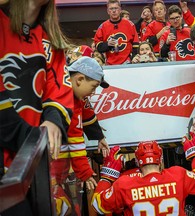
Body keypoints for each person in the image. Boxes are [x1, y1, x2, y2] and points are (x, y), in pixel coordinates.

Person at [0, 0, 74, 215]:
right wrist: (31, 138)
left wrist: (52, 121)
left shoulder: (49, 39)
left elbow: (58, 92)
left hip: (27, 171)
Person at [91, 132, 195, 215]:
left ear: (137, 162)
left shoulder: (124, 184)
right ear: (161, 159)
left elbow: (97, 205)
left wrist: (107, 176)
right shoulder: (177, 175)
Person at [50, 56, 110, 216]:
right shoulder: (68, 99)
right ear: (79, 79)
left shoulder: (69, 93)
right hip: (49, 162)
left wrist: (99, 137)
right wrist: (85, 172)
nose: (93, 92)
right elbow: (75, 140)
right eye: (94, 86)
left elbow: (88, 114)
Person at [93, 0, 139, 65]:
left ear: (120, 10)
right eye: (111, 8)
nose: (114, 11)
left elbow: (136, 43)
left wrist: (133, 58)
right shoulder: (103, 27)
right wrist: (107, 44)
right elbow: (98, 47)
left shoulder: (129, 24)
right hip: (110, 64)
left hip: (127, 63)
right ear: (108, 11)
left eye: (116, 8)